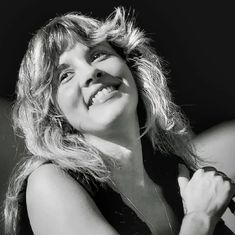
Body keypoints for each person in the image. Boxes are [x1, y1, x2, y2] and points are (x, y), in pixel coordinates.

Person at [4, 7, 235, 235]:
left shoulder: (179, 175)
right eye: (65, 76)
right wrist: (200, 219)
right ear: (53, 114)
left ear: (131, 68)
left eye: (97, 55)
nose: (90, 72)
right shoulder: (49, 185)